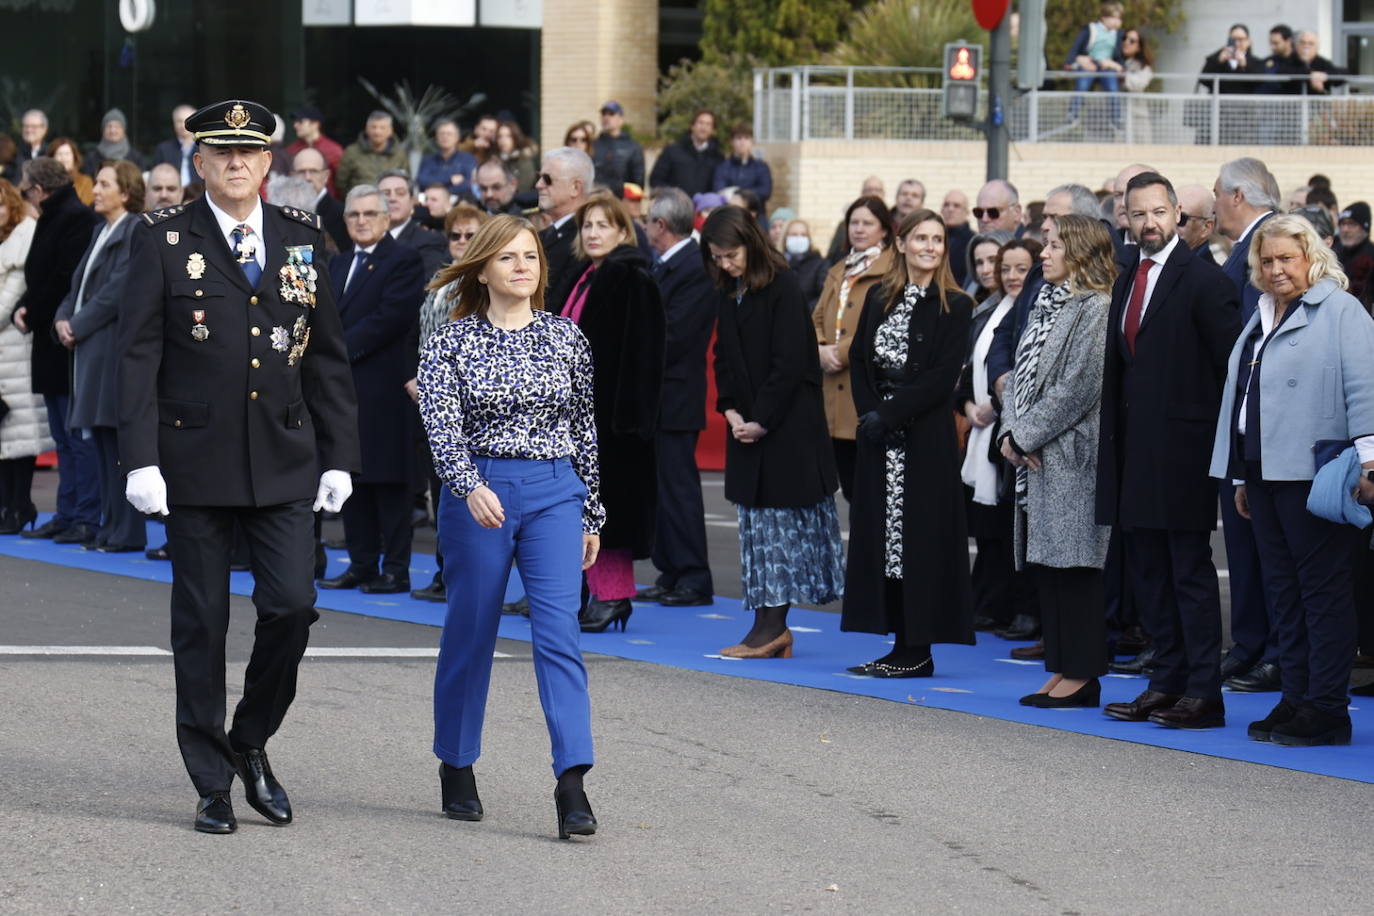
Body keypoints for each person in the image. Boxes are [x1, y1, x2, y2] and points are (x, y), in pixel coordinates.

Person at [116, 100, 359, 834]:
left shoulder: (301, 239)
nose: (235, 164)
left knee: (291, 606)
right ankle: (211, 780)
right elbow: (138, 355)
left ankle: (249, 740)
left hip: (282, 461)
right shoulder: (162, 239)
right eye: (221, 153)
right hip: (191, 462)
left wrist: (340, 455)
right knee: (204, 623)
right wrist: (141, 459)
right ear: (199, 163)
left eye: (249, 154)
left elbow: (326, 357)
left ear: (269, 164)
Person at [417, 214, 603, 838]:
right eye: (508, 258)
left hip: (556, 492)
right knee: (472, 629)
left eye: (531, 257)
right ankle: (457, 762)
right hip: (481, 494)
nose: (523, 267)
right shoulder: (451, 341)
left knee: (559, 632)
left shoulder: (567, 338)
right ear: (483, 269)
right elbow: (441, 425)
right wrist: (468, 485)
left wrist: (592, 511)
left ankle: (572, 780)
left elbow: (584, 430)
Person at [1209, 214, 1374, 746]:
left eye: (1287, 258)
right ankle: (1297, 699)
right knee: (1284, 594)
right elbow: (1244, 397)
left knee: (1322, 595)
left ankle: (1327, 709)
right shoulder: (1260, 312)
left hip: (1317, 473)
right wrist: (1239, 475)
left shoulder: (1341, 311)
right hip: (1261, 471)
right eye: (1267, 259)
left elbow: (1366, 390)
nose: (1276, 269)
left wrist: (1371, 464)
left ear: (1312, 259)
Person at [1097, 172, 1241, 730]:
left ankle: (1203, 692)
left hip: (1184, 456)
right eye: (1139, 214)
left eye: (1159, 212)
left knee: (1188, 574)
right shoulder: (1125, 277)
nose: (1150, 223)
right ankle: (1166, 683)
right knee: (1149, 576)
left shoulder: (1205, 281)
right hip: (1134, 456)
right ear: (1126, 219)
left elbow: (1230, 373)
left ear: (1178, 213)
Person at [701, 205, 844, 658]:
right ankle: (764, 624)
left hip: (786, 431)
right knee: (757, 534)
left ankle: (773, 627)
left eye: (731, 254)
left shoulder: (781, 284)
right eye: (717, 257)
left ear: (751, 242)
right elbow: (723, 357)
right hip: (749, 427)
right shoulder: (731, 290)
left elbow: (790, 364)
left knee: (781, 533)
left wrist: (760, 418)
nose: (725, 264)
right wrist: (730, 412)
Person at [841, 209, 974, 677]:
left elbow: (942, 377)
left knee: (920, 542)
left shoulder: (955, 305)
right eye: (921, 238)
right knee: (886, 542)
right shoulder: (880, 297)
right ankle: (897, 642)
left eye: (938, 240)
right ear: (901, 244)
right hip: (881, 437)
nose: (930, 247)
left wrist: (891, 414)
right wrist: (870, 414)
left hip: (923, 440)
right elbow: (859, 361)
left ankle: (918, 648)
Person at [999, 213, 1114, 708]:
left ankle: (1084, 675)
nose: (1042, 255)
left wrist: (1023, 435)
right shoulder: (1047, 304)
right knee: (1051, 565)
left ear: (1081, 254)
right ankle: (1062, 666)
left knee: (1077, 566)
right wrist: (1010, 433)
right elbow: (1018, 378)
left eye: (1052, 247)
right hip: (1037, 455)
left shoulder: (1098, 308)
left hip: (1071, 456)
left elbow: (1079, 388)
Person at [558, 195, 664, 632]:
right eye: (587, 226)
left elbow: (644, 355)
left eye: (605, 225)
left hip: (614, 421)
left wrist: (628, 423)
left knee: (609, 510)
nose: (594, 233)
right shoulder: (584, 275)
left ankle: (614, 597)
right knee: (579, 507)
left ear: (623, 232)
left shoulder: (631, 277)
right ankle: (587, 592)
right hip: (574, 417)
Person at [316, 183, 424, 595]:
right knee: (352, 479)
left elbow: (389, 319)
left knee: (390, 485)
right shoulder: (340, 263)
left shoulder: (404, 259)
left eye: (369, 214)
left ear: (386, 218)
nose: (361, 221)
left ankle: (395, 569)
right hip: (344, 392)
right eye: (354, 215)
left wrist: (332, 350)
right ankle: (361, 563)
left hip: (384, 390)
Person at [53, 160, 148, 553]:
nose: (97, 190)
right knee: (104, 442)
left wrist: (77, 324)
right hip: (92, 348)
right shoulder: (99, 231)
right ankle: (111, 524)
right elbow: (77, 285)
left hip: (112, 349)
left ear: (125, 192)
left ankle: (128, 530)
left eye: (105, 184)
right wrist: (62, 318)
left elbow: (117, 289)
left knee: (119, 443)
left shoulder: (134, 230)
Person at [1213, 156, 1283, 692]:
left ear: (1239, 195)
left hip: (1265, 424)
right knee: (1245, 543)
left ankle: (1274, 651)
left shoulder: (1270, 242)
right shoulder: (1245, 248)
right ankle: (1252, 643)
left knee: (1271, 550)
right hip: (1240, 422)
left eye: (1217, 196)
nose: (1214, 207)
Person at [10, 157, 101, 545]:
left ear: (40, 189)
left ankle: (84, 514)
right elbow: (42, 275)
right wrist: (28, 307)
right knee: (63, 437)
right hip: (48, 339)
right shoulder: (55, 216)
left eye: (27, 188)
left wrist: (33, 311)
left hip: (64, 340)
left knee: (75, 435)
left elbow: (66, 279)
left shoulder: (75, 219)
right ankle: (67, 513)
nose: (25, 194)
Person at [636, 188, 716, 607]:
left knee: (679, 490)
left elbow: (676, 335)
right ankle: (671, 569)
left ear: (662, 226)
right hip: (659, 398)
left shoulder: (694, 268)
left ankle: (694, 575)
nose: (646, 227)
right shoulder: (667, 264)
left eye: (649, 221)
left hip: (676, 397)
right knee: (661, 491)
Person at [958, 238, 1042, 631]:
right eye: (1003, 268)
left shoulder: (1035, 310)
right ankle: (990, 602)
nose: (1010, 276)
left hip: (1010, 430)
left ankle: (1013, 605)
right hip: (982, 430)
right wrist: (969, 407)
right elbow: (968, 371)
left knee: (1012, 525)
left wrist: (996, 403)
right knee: (991, 527)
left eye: (1019, 268)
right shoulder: (989, 312)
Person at [408, 202, 488, 603]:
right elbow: (425, 340)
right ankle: (445, 571)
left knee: (462, 491)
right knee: (440, 490)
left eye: (470, 235)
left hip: (467, 405)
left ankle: (461, 575)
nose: (460, 242)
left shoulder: (484, 285)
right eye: (454, 235)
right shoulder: (441, 280)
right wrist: (418, 378)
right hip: (432, 400)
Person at [813, 195, 895, 502]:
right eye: (854, 223)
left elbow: (884, 324)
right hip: (831, 392)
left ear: (884, 230)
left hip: (863, 394)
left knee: (870, 492)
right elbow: (817, 316)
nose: (859, 229)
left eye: (868, 223)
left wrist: (841, 352)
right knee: (848, 486)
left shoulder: (892, 270)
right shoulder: (839, 269)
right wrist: (820, 348)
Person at [0, 178, 50, 534]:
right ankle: (10, 506)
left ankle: (20, 505)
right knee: (5, 438)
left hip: (15, 349)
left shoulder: (22, 239)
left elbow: (9, 299)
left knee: (20, 434)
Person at [536, 147, 594, 307]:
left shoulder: (586, 237)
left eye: (547, 179)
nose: (539, 185)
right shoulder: (544, 235)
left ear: (575, 187)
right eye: (540, 177)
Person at [1065, 1, 1125, 129]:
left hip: (1107, 66)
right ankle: (1072, 114)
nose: (1116, 21)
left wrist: (1118, 65)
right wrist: (1070, 62)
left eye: (1119, 18)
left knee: (1113, 89)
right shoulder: (1091, 29)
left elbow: (1119, 55)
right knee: (1082, 86)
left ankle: (1116, 118)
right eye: (1113, 18)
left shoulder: (1118, 34)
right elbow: (1076, 47)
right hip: (1090, 62)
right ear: (1104, 17)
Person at [377, 170, 447, 278]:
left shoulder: (429, 242)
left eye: (400, 193)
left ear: (412, 201)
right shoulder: (365, 239)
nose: (392, 199)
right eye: (385, 194)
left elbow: (425, 288)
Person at [648, 109, 722, 198]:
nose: (703, 127)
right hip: (674, 207)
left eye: (708, 124)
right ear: (692, 126)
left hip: (703, 209)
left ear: (712, 130)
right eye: (700, 123)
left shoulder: (718, 158)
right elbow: (656, 180)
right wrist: (673, 195)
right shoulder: (672, 151)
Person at [336, 111, 407, 196]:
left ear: (390, 131)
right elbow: (341, 183)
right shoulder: (351, 152)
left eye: (382, 128)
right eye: (373, 127)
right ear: (367, 129)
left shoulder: (399, 154)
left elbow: (405, 181)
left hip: (390, 204)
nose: (377, 132)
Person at [291, 148, 348, 253]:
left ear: (326, 176)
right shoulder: (284, 212)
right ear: (292, 176)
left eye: (313, 171)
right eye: (301, 172)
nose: (307, 177)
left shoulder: (343, 215)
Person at [711, 124, 771, 217]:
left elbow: (764, 192)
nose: (742, 142)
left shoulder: (761, 167)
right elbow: (719, 191)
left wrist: (736, 193)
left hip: (756, 216)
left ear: (752, 142)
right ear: (732, 142)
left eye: (746, 138)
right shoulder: (723, 167)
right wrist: (748, 194)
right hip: (730, 216)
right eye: (738, 138)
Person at [284, 105, 344, 198]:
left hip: (326, 206)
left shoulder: (334, 150)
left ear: (315, 124)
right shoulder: (291, 150)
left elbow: (341, 183)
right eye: (295, 122)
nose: (295, 125)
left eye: (300, 122)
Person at [591, 101, 644, 199]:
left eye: (611, 114)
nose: (606, 117)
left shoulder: (632, 147)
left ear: (621, 119)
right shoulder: (594, 145)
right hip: (598, 200)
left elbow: (638, 181)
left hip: (622, 201)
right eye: (604, 114)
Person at [416, 118, 477, 199]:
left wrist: (439, 190)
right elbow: (422, 181)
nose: (445, 137)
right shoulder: (427, 161)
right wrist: (449, 180)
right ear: (436, 138)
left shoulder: (468, 159)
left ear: (457, 137)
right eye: (441, 134)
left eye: (449, 134)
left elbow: (469, 184)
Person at [82, 109, 146, 177]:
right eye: (109, 126)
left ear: (124, 130)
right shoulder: (92, 158)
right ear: (103, 130)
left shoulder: (136, 158)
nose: (112, 130)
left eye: (117, 126)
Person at [783, 218, 826, 313]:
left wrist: (802, 311)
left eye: (803, 235)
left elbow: (823, 296)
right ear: (785, 238)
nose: (799, 238)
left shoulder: (820, 264)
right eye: (794, 234)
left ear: (809, 239)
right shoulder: (777, 263)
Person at [1334, 202, 1374, 305]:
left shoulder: (1370, 257)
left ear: (1364, 227)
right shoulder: (1335, 253)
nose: (1345, 229)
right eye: (1342, 224)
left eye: (1352, 224)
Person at [152, 104, 197, 189]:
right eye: (179, 121)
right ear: (174, 123)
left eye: (187, 120)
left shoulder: (204, 147)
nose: (183, 125)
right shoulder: (163, 149)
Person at [1120, 29, 1154, 141]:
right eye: (1124, 38)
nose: (1126, 42)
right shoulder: (1111, 61)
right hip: (1114, 119)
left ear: (1139, 47)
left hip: (1137, 118)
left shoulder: (1144, 67)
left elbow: (1137, 84)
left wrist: (1120, 74)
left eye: (1132, 41)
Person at [1290, 31, 1343, 96]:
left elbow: (1342, 73)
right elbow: (1284, 71)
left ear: (1317, 47)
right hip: (1293, 103)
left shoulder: (1322, 62)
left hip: (1317, 103)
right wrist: (1311, 74)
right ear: (1296, 46)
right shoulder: (1289, 60)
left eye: (1311, 44)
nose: (1306, 46)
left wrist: (1325, 75)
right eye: (1302, 43)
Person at [964, 230, 1012, 302]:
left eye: (993, 261)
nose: (985, 270)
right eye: (979, 263)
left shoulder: (1023, 303)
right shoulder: (970, 298)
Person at [1176, 184, 1218, 262]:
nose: (1171, 224)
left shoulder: (1207, 273)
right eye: (1169, 215)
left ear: (1206, 228)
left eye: (1181, 218)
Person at [45, 137, 93, 206]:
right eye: (59, 154)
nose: (63, 158)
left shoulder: (85, 182)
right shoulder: (45, 182)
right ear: (52, 158)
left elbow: (86, 207)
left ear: (74, 157)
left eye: (67, 154)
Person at [494, 121, 538, 194]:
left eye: (508, 136)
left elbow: (523, 189)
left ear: (515, 137)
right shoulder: (495, 160)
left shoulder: (524, 161)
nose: (503, 140)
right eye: (500, 136)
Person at [942, 189, 974, 286]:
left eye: (957, 206)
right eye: (946, 205)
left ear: (967, 212)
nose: (950, 209)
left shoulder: (973, 241)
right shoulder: (933, 238)